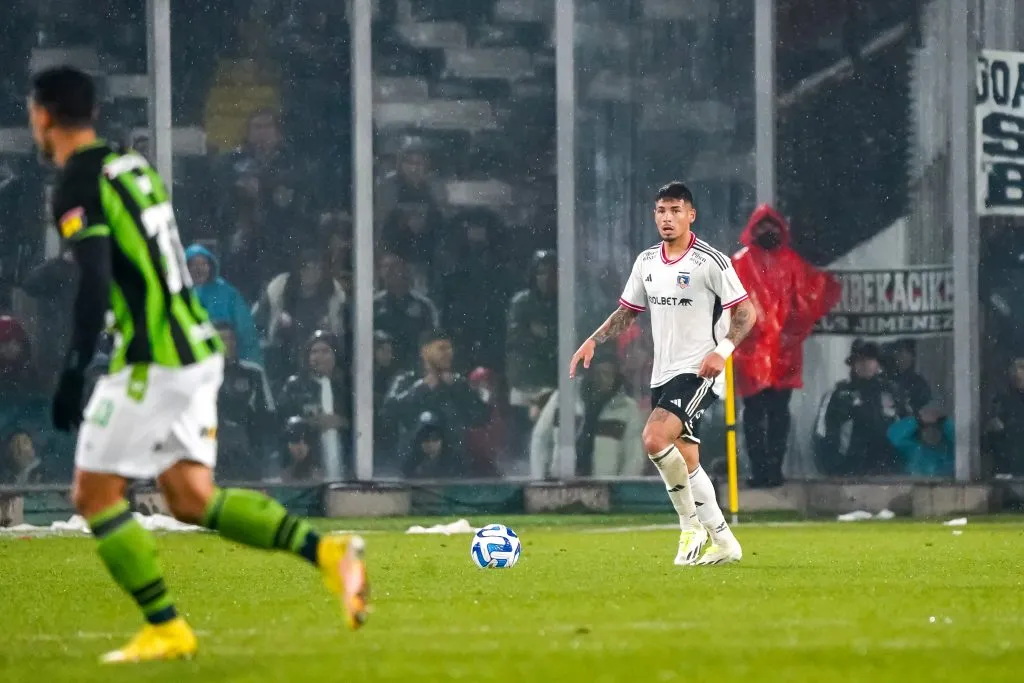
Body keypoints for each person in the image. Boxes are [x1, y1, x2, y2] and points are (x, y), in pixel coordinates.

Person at [29, 66, 367, 664]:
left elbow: (96, 277)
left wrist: (73, 368)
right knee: (189, 497)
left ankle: (166, 625)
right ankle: (327, 553)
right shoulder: (131, 167)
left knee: (94, 495)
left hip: (151, 357)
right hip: (196, 347)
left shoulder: (76, 182)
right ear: (95, 113)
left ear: (43, 115)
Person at [569, 181, 756, 565]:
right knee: (687, 461)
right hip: (662, 373)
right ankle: (725, 544)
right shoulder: (647, 262)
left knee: (654, 439)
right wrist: (594, 339)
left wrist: (723, 352)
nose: (667, 219)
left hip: (700, 369)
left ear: (691, 215)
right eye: (661, 211)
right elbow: (628, 312)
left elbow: (746, 312)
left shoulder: (712, 261)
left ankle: (690, 525)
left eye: (675, 210)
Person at [731, 205, 841, 488]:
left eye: (772, 227)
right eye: (763, 228)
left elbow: (810, 296)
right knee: (757, 415)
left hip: (776, 352)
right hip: (758, 353)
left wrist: (783, 333)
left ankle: (772, 470)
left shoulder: (785, 264)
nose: (768, 233)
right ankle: (761, 470)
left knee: (773, 415)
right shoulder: (742, 264)